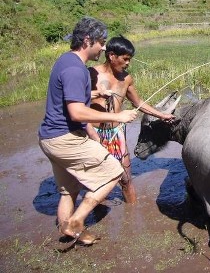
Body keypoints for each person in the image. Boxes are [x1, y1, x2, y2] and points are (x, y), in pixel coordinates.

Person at [38, 17, 138, 246]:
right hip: (65, 138)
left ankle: (68, 231)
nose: (103, 48)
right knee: (113, 171)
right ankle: (77, 221)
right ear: (87, 40)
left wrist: (95, 95)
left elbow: (69, 99)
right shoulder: (78, 70)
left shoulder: (65, 61)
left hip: (49, 138)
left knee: (68, 191)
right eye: (101, 42)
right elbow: (77, 113)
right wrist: (117, 116)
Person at [88, 35, 175, 204]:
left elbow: (138, 102)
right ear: (112, 56)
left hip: (116, 133)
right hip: (94, 134)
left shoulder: (126, 78)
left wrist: (161, 115)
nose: (128, 63)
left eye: (130, 59)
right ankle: (98, 212)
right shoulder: (91, 74)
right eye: (125, 59)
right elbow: (76, 104)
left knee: (126, 179)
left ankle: (132, 213)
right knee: (96, 181)